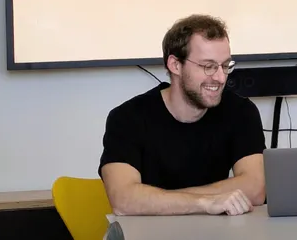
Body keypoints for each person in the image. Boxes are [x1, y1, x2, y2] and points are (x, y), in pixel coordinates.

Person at [98, 14, 266, 216]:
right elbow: (123, 200)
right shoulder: (127, 118)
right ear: (175, 65)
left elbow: (256, 188)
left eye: (225, 65)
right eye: (208, 66)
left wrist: (156, 200)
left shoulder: (241, 112)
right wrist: (205, 202)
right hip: (151, 231)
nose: (221, 78)